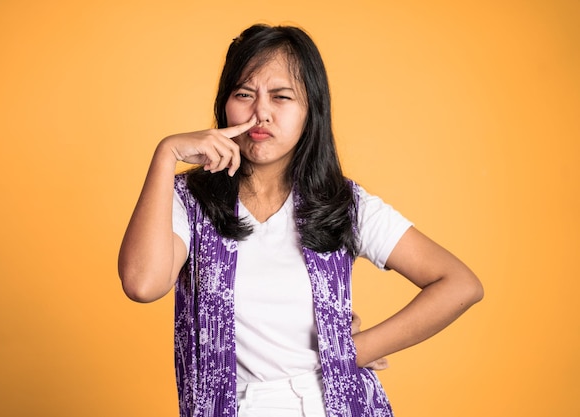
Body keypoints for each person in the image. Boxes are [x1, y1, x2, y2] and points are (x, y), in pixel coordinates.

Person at [118, 23, 483, 417]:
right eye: (244, 94)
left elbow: (460, 284)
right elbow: (142, 283)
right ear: (225, 103)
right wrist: (166, 152)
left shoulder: (343, 202)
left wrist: (354, 350)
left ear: (311, 110)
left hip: (332, 404)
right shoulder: (190, 201)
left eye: (282, 97)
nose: (261, 113)